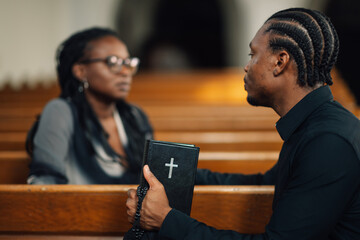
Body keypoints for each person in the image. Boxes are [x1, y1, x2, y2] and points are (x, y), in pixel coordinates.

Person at [126, 8, 360, 239]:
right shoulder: (317, 125)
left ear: (280, 62)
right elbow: (263, 182)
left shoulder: (328, 141)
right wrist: (176, 173)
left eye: (253, 55)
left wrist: (166, 219)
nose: (247, 67)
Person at [27, 27, 153, 184]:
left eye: (128, 63)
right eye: (112, 62)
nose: (125, 72)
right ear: (81, 71)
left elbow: (151, 179)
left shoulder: (135, 116)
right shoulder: (59, 112)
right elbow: (45, 186)